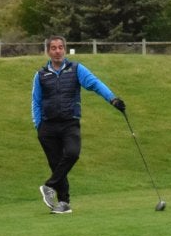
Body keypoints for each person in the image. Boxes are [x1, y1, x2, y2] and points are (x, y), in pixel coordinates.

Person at [31, 35, 125, 215]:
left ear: (64, 50)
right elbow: (36, 101)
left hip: (69, 123)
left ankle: (49, 186)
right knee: (56, 164)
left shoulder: (76, 69)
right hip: (48, 127)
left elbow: (95, 84)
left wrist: (112, 99)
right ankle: (64, 203)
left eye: (60, 47)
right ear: (48, 51)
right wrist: (39, 126)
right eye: (53, 48)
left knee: (72, 154)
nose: (57, 51)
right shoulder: (41, 75)